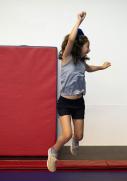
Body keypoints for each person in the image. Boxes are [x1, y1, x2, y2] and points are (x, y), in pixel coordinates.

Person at [47, 11, 111, 172]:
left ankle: (75, 141)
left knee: (79, 136)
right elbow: (70, 39)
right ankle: (53, 151)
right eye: (87, 46)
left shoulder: (82, 62)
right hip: (65, 102)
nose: (89, 49)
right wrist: (78, 21)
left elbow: (89, 69)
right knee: (67, 134)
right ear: (79, 46)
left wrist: (101, 67)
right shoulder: (66, 58)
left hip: (78, 102)